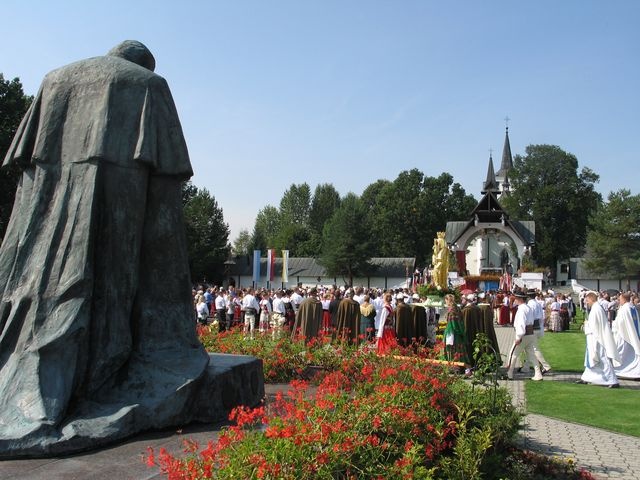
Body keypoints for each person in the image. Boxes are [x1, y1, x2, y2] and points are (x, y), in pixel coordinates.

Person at [0, 41, 210, 456]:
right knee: (110, 273)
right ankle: (98, 365)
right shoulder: (149, 82)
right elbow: (166, 189)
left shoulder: (54, 78)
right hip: (119, 182)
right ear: (143, 63)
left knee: (39, 272)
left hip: (45, 191)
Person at [577, 292, 620, 387]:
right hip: (594, 337)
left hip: (597, 339)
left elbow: (593, 326)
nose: (586, 302)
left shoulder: (596, 309)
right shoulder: (596, 308)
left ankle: (612, 380)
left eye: (587, 300)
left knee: (602, 358)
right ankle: (587, 377)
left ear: (591, 299)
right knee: (591, 358)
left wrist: (586, 325)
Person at [505, 293, 543, 381]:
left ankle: (509, 374)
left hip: (524, 334)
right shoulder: (528, 308)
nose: (514, 300)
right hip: (530, 334)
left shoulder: (521, 309)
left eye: (516, 299)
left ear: (520, 299)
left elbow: (521, 324)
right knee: (531, 355)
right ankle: (538, 374)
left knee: (513, 353)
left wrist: (519, 336)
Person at [611, 292, 640, 379]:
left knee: (620, 353)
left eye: (620, 299)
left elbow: (620, 322)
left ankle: (620, 370)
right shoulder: (632, 307)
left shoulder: (624, 309)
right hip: (631, 334)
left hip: (623, 335)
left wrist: (613, 325)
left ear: (623, 299)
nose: (619, 301)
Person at [443, 294, 468, 365]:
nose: (446, 302)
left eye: (446, 301)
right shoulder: (457, 308)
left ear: (448, 300)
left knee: (452, 350)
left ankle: (454, 366)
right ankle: (461, 365)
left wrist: (450, 332)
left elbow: (453, 324)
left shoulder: (452, 310)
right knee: (460, 350)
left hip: (453, 334)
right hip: (459, 333)